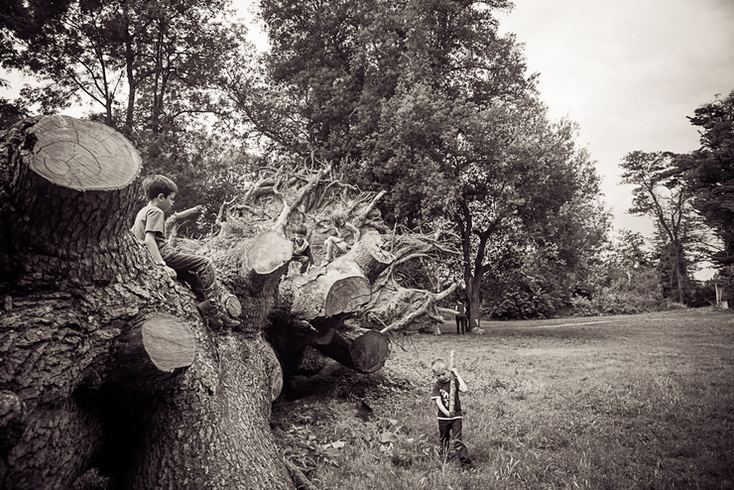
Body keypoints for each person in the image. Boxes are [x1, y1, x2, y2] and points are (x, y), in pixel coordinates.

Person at [131, 175, 240, 331]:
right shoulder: (156, 212)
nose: (173, 203)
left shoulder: (142, 211)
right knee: (204, 263)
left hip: (153, 256)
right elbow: (149, 240)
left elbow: (135, 237)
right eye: (172, 199)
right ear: (161, 197)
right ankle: (213, 308)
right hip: (163, 255)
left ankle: (214, 315)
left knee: (193, 278)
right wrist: (162, 265)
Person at [431, 358, 472, 468]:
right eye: (438, 376)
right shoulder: (437, 386)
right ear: (435, 376)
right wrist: (446, 412)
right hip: (443, 418)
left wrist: (457, 374)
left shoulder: (453, 382)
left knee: (457, 440)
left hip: (456, 417)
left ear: (448, 371)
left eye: (443, 374)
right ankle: (444, 458)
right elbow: (438, 401)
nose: (441, 377)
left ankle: (466, 464)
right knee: (444, 439)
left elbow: (464, 389)